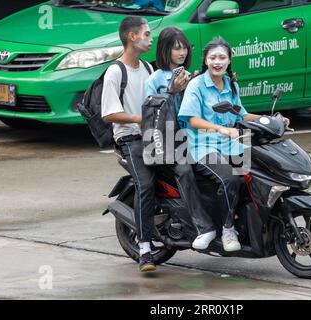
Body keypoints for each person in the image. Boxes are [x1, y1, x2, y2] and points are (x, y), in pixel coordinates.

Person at [178, 37, 290, 252]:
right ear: (205, 60)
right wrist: (220, 129)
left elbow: (242, 114)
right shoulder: (197, 85)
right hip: (203, 146)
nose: (217, 62)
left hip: (233, 144)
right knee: (230, 178)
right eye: (212, 58)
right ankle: (227, 228)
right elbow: (192, 120)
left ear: (229, 61)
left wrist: (271, 119)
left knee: (256, 175)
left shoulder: (231, 84)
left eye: (222, 57)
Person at [144, 27, 216, 250]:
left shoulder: (191, 76)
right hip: (167, 139)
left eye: (184, 47)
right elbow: (150, 112)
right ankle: (204, 227)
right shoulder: (155, 79)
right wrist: (172, 91)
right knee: (184, 170)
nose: (182, 52)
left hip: (193, 136)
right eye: (176, 48)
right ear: (165, 50)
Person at [101, 16, 157, 272]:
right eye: (146, 34)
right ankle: (145, 247)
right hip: (129, 139)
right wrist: (137, 119)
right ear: (132, 37)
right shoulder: (115, 72)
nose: (151, 38)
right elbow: (108, 114)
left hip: (154, 135)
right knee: (146, 184)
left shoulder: (148, 68)